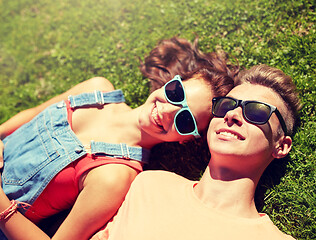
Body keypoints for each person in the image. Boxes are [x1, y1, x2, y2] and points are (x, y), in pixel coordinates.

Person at [0, 37, 238, 240]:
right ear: (172, 81)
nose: (167, 111)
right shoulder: (97, 89)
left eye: (185, 119)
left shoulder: (116, 175)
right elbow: (33, 113)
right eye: (176, 93)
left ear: (186, 139)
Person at [90, 64, 301, 240]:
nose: (233, 115)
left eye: (256, 111)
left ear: (281, 146)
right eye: (226, 105)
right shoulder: (149, 184)